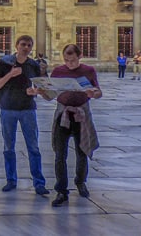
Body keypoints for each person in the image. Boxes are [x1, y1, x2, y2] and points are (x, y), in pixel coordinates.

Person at [37, 43, 101, 207]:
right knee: (60, 155)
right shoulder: (58, 71)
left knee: (82, 152)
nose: (69, 63)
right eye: (66, 60)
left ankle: (80, 181)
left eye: (72, 60)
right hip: (63, 115)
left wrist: (93, 93)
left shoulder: (88, 71)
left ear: (80, 57)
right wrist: (41, 91)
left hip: (81, 114)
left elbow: (99, 92)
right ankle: (61, 190)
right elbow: (50, 96)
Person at [0, 35, 49, 195]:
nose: (26, 47)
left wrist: (35, 91)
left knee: (33, 147)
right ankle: (11, 180)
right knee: (9, 147)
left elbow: (42, 88)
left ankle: (39, 183)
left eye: (29, 45)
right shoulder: (5, 63)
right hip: (8, 108)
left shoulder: (33, 65)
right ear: (16, 45)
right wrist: (10, 74)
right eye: (23, 44)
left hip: (28, 109)